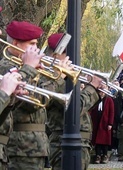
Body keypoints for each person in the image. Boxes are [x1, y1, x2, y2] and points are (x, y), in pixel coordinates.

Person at [44, 33, 104, 170]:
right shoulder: (53, 77)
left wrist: (97, 94)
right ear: (57, 55)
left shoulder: (62, 77)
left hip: (81, 141)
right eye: (69, 54)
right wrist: (92, 88)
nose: (73, 59)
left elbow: (82, 109)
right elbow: (74, 108)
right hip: (63, 142)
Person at [0, 20, 49, 170]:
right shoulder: (6, 67)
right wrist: (28, 68)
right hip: (21, 146)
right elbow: (31, 104)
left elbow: (44, 100)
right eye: (31, 44)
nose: (36, 49)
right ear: (15, 43)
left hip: (36, 144)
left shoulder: (26, 68)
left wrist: (56, 77)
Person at [90, 90, 114, 164]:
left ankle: (105, 155)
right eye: (100, 92)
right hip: (96, 122)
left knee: (105, 141)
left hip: (105, 123)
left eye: (103, 92)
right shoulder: (95, 98)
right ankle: (98, 155)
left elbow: (111, 112)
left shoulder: (109, 99)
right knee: (97, 140)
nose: (102, 93)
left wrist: (110, 123)